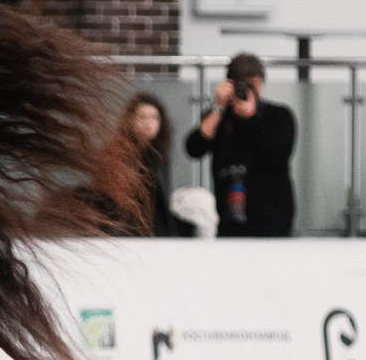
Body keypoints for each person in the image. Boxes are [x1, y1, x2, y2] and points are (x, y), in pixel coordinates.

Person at [183, 53, 296, 238]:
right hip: (229, 219)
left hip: (272, 219)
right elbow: (194, 148)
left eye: (254, 83)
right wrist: (218, 108)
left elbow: (279, 154)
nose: (249, 90)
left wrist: (251, 119)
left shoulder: (279, 115)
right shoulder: (219, 117)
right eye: (243, 84)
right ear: (230, 84)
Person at [115, 94, 187, 238]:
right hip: (128, 232)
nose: (149, 123)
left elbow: (162, 202)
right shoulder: (118, 155)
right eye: (142, 117)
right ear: (130, 120)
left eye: (154, 118)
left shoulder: (160, 156)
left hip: (156, 233)